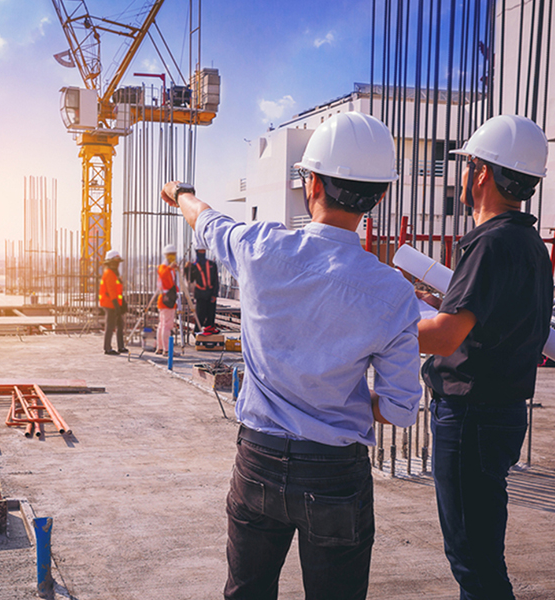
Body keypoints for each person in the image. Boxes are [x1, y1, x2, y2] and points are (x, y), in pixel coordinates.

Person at [161, 112, 422, 600]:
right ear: (379, 196)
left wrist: (180, 193)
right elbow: (402, 408)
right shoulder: (392, 292)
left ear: (312, 183)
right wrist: (333, 400)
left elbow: (207, 219)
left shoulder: (261, 247)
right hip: (334, 474)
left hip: (257, 460)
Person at [416, 115, 552, 600]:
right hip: (499, 412)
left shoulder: (490, 243)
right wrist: (441, 309)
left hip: (471, 415)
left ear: (482, 173)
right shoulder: (529, 245)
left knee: (473, 561)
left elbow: (445, 338)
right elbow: (497, 325)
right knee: (480, 552)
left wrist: (384, 326)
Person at [185, 243, 219, 334]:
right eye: (200, 251)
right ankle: (197, 331)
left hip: (210, 293)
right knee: (200, 314)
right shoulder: (194, 266)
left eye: (203, 251)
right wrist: (187, 270)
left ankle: (210, 330)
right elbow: (190, 280)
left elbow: (216, 281)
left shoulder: (212, 264)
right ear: (197, 252)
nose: (202, 252)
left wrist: (214, 294)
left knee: (211, 314)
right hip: (200, 294)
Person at [98, 249, 128, 355]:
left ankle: (121, 346)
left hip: (115, 303)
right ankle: (107, 348)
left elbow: (118, 290)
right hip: (109, 303)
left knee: (120, 324)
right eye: (115, 262)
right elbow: (111, 291)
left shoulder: (115, 274)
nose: (117, 264)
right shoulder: (109, 273)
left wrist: (122, 302)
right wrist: (116, 306)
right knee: (110, 325)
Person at [155, 243, 179, 356]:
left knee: (162, 324)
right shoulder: (164, 267)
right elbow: (164, 276)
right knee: (167, 325)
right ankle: (166, 349)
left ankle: (160, 347)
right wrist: (171, 268)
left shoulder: (169, 269)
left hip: (166, 299)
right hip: (166, 300)